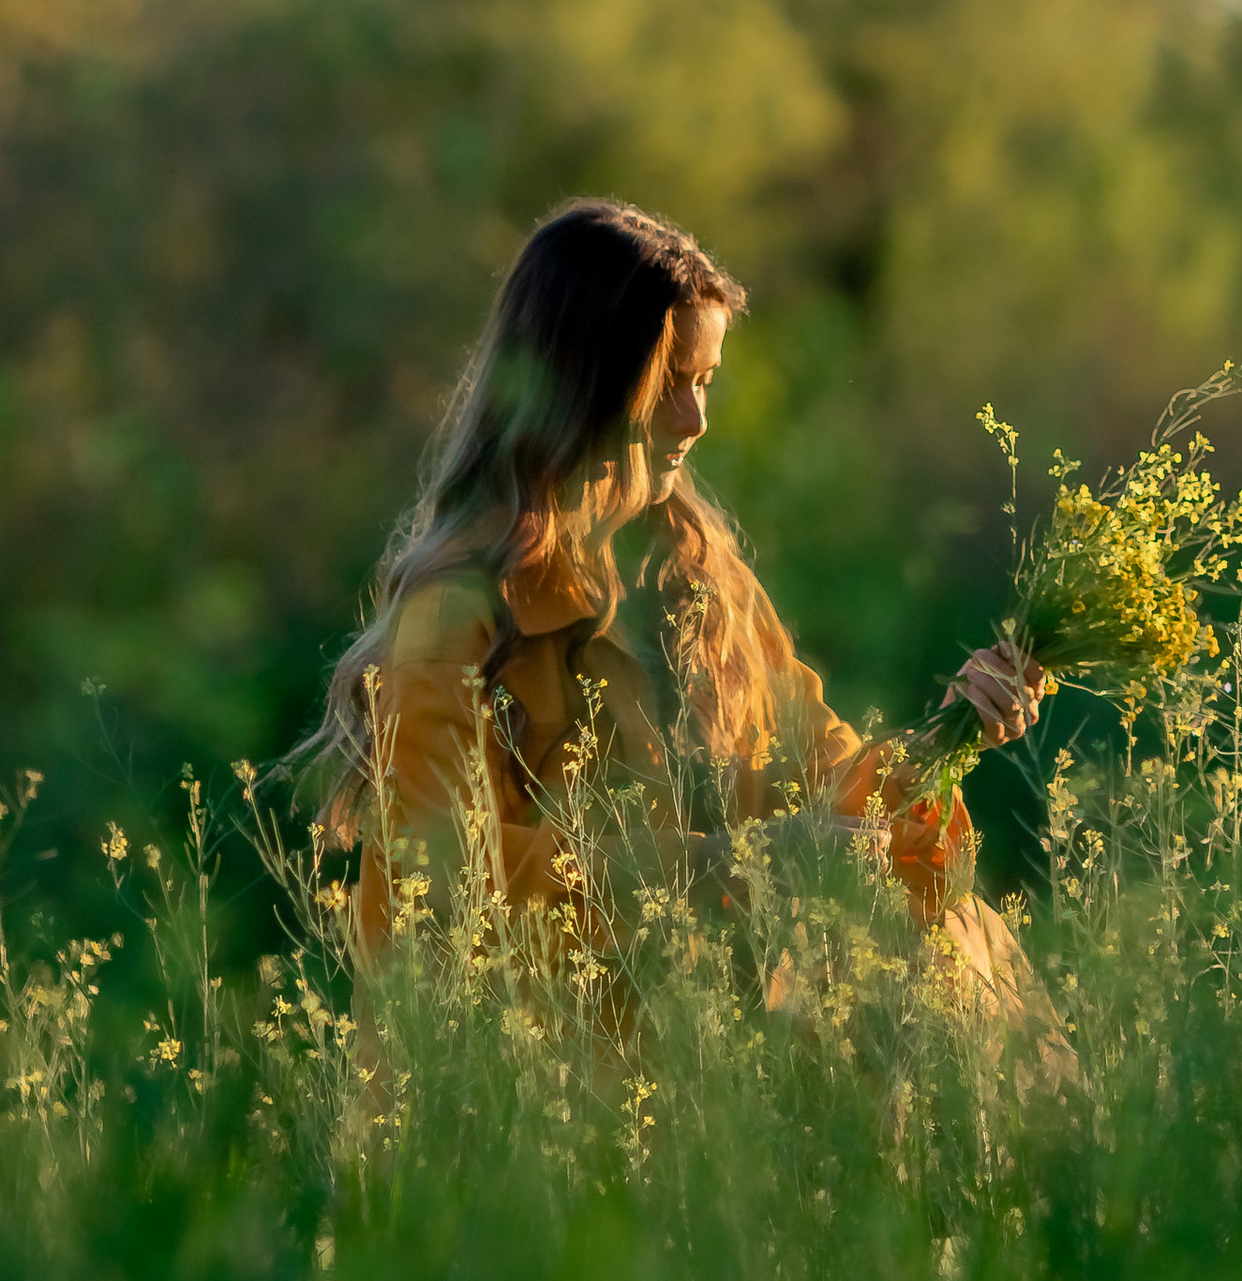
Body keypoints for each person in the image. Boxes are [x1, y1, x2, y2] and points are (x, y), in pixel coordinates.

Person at [319, 197, 1045, 1005]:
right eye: (668, 383)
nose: (695, 419)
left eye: (705, 382)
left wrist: (949, 739)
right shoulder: (456, 618)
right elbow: (446, 885)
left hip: (693, 1097)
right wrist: (735, 867)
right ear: (578, 380)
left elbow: (822, 790)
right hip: (511, 1109)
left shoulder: (703, 578)